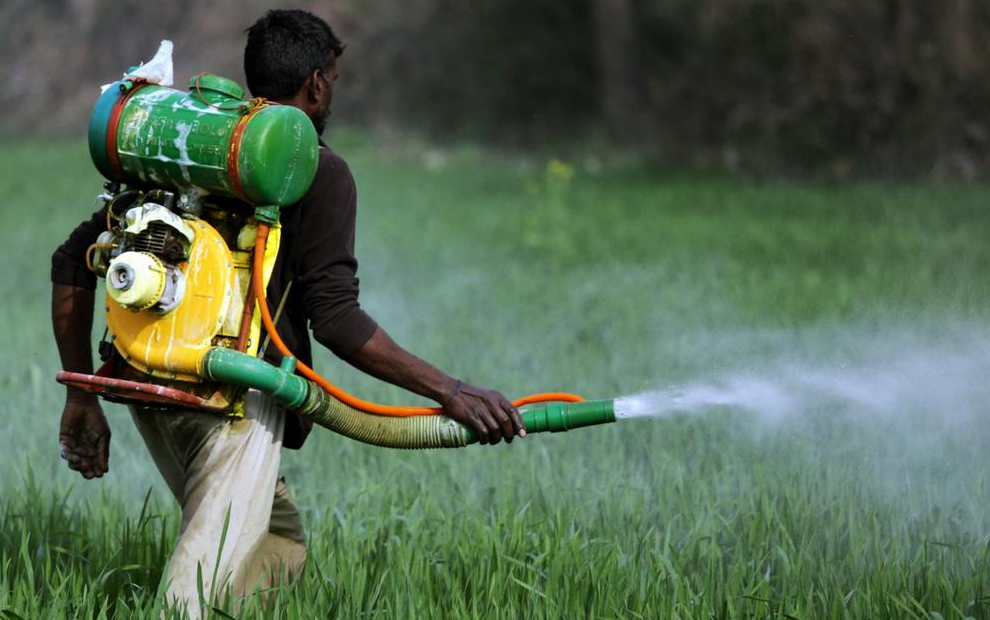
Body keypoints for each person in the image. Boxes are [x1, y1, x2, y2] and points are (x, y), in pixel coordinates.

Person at [51, 9, 524, 616]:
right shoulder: (316, 171)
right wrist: (450, 390)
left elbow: (72, 260)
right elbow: (336, 319)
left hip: (147, 380)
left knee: (279, 549)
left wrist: (80, 394)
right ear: (318, 83)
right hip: (237, 399)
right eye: (333, 79)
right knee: (190, 598)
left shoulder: (183, 148)